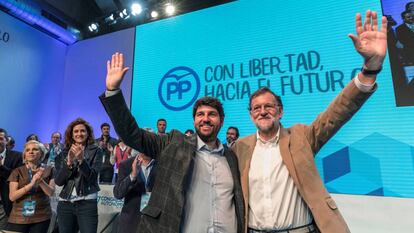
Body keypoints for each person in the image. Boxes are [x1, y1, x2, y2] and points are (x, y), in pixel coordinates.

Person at [231, 10, 388, 233]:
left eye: (269, 106)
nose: (263, 111)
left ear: (280, 111)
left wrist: (370, 69)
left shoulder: (301, 136)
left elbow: (337, 113)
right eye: (257, 108)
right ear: (250, 115)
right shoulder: (241, 148)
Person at [100, 53, 245, 233]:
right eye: (200, 114)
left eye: (212, 114)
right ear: (194, 121)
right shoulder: (174, 142)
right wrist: (113, 91)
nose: (205, 119)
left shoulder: (232, 157)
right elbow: (132, 135)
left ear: (221, 121)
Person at [54, 118, 103, 233]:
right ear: (71, 134)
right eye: (76, 131)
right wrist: (69, 163)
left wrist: (81, 160)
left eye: (82, 131)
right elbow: (59, 181)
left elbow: (92, 178)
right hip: (65, 203)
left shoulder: (96, 150)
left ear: (88, 133)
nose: (79, 134)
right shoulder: (64, 152)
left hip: (86, 202)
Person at [6, 140, 55, 233]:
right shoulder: (17, 171)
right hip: (19, 216)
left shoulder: (49, 169)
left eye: (35, 149)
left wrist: (40, 181)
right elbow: (12, 197)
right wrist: (31, 184)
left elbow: (51, 193)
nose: (30, 152)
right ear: (25, 154)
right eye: (27, 150)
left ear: (41, 153)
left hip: (41, 215)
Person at [113, 152, 156, 233]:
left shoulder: (163, 165)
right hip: (130, 223)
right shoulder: (126, 164)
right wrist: (133, 175)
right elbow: (118, 193)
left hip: (153, 224)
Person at [0, 128, 23, 229]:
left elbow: (18, 177)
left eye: (0, 138)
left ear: (6, 140)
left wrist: (1, 166)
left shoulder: (17, 156)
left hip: (5, 204)